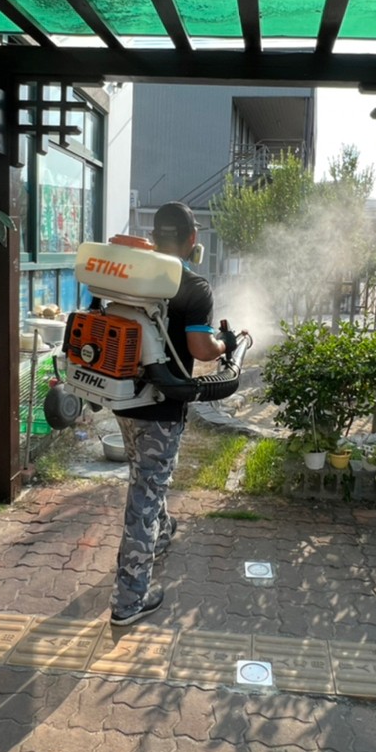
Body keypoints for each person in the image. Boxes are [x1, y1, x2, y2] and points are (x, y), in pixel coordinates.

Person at [110, 201, 236, 626]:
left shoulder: (128, 272)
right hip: (161, 408)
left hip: (123, 398)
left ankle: (161, 534)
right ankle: (128, 601)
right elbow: (201, 348)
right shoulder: (193, 285)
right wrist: (225, 344)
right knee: (144, 497)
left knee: (145, 478)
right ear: (192, 239)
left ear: (153, 237)